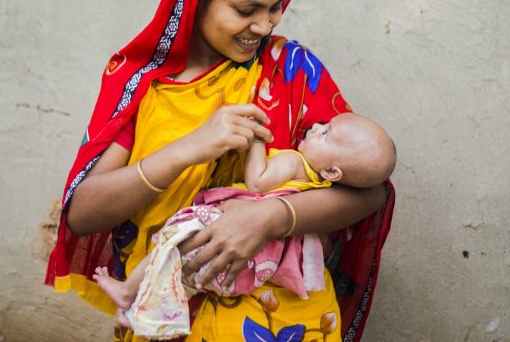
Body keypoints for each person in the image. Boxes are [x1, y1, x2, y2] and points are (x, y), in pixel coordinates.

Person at [45, 0, 396, 342]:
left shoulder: (290, 70)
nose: (265, 26)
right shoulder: (144, 86)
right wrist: (188, 148)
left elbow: (369, 188)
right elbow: (83, 213)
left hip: (280, 323)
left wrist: (269, 216)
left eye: (275, 8)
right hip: (168, 320)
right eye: (246, 9)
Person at [91, 113, 397, 340]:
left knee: (172, 244)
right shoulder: (319, 185)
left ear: (332, 170)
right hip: (265, 259)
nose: (315, 127)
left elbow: (257, 182)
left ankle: (129, 292)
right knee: (190, 277)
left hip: (232, 228)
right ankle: (150, 313)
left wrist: (256, 142)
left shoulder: (293, 162)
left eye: (325, 133)